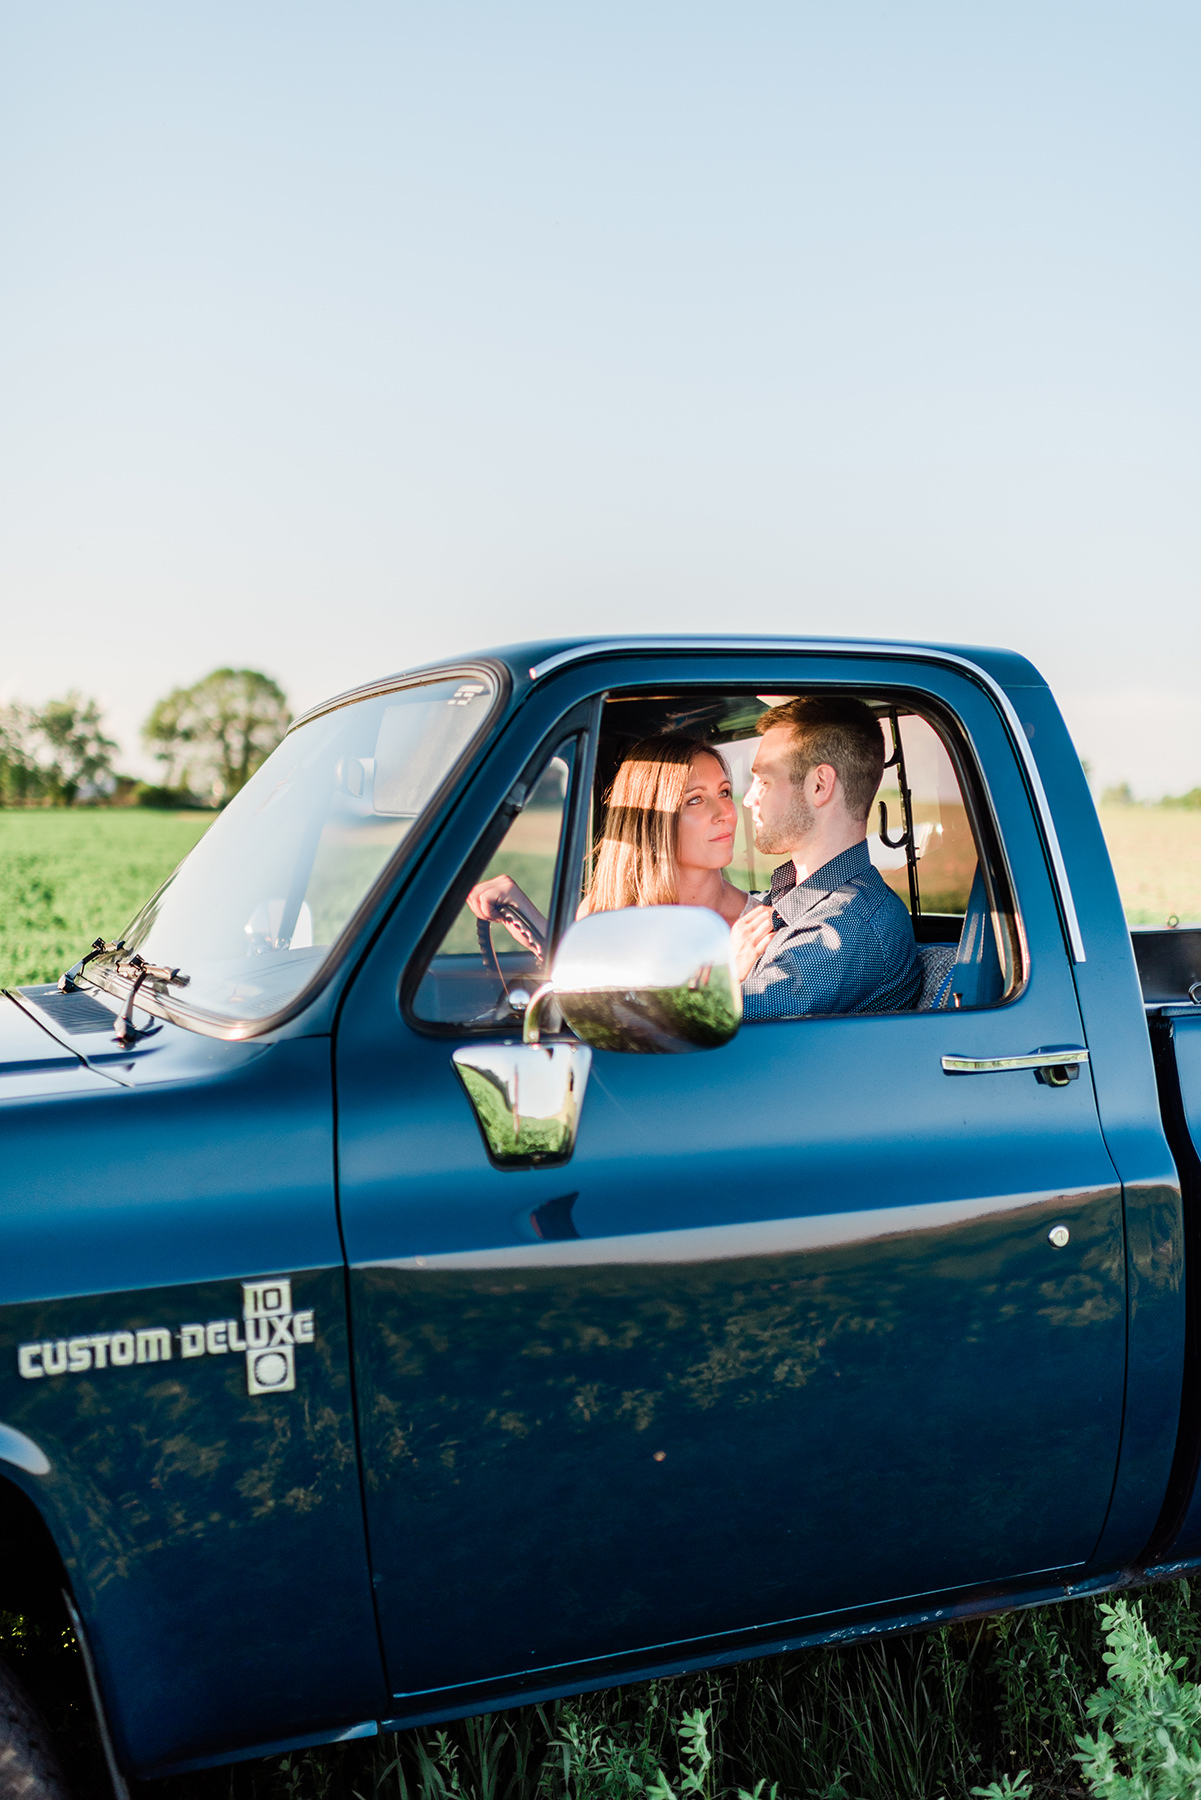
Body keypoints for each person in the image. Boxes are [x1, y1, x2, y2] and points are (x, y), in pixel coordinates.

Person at [467, 736, 769, 976]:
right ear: (651, 820)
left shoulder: (755, 926)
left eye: (725, 792)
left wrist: (731, 975)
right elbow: (587, 993)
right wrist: (520, 910)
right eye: (696, 799)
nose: (726, 813)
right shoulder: (606, 912)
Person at [738, 695, 921, 1019]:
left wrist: (726, 971)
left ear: (820, 786)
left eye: (764, 781)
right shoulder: (795, 898)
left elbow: (713, 1026)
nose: (749, 799)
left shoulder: (845, 929)